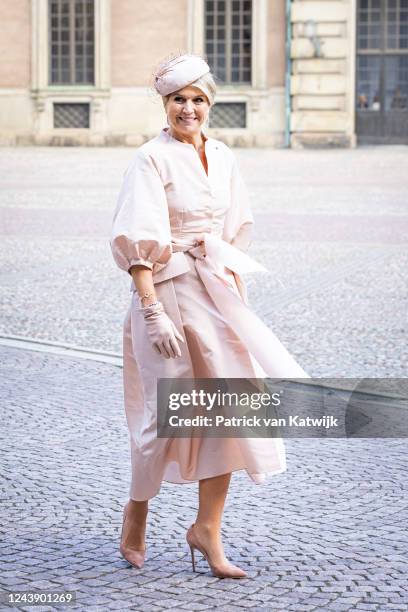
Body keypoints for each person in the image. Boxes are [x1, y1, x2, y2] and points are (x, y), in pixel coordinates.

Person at [110, 54, 309, 579]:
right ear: (165, 104)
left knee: (230, 408)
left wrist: (230, 280)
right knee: (164, 418)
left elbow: (235, 225)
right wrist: (151, 309)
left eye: (199, 99)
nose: (189, 108)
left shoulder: (222, 155)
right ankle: (138, 511)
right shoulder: (150, 159)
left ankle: (207, 531)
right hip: (167, 292)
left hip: (215, 290)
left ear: (210, 105)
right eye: (180, 99)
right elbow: (136, 242)